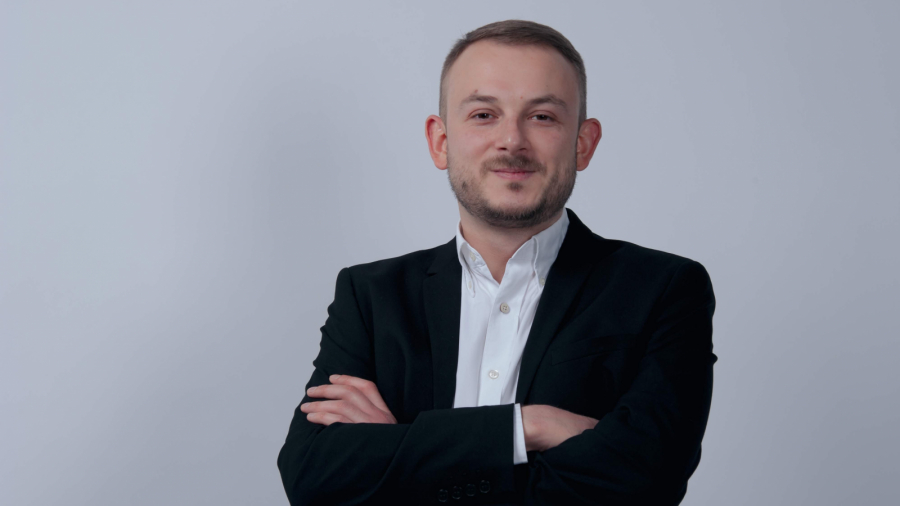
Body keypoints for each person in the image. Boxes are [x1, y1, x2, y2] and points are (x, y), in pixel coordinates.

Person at [277, 19, 716, 505]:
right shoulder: (370, 297)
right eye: (484, 114)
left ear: (583, 143)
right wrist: (527, 427)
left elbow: (648, 481)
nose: (512, 140)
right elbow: (313, 476)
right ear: (440, 141)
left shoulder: (663, 290)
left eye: (542, 116)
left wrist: (400, 447)